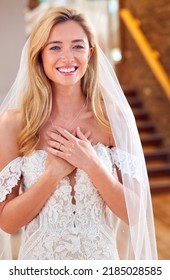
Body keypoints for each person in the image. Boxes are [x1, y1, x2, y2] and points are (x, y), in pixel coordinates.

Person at [0, 7, 157, 260]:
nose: (67, 57)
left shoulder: (113, 117)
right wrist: (50, 177)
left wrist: (92, 165)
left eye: (77, 46)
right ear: (39, 55)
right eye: (54, 47)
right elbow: (7, 223)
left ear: (90, 54)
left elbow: (135, 214)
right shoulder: (15, 123)